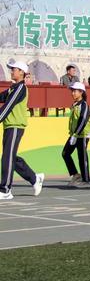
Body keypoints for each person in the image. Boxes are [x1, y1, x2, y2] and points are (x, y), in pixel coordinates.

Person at [0, 61, 44, 200]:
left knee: (7, 156)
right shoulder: (13, 88)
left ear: (21, 72)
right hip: (9, 126)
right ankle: (34, 178)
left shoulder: (20, 88)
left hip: (15, 126)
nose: (12, 71)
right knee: (10, 156)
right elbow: (2, 97)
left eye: (14, 69)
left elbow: (8, 106)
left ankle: (6, 189)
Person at [62, 82, 90, 188]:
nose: (73, 93)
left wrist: (76, 134)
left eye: (75, 91)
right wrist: (73, 134)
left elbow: (83, 120)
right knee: (65, 153)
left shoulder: (84, 105)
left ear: (81, 92)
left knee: (82, 156)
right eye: (72, 91)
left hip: (83, 135)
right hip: (75, 134)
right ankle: (75, 174)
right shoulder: (75, 105)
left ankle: (86, 179)